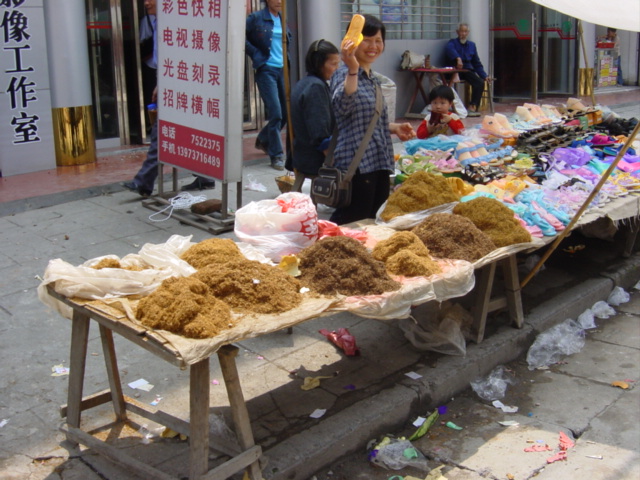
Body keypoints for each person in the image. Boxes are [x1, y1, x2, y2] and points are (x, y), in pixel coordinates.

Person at [329, 14, 415, 225]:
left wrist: (394, 128)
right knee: (353, 224)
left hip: (379, 161)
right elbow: (343, 105)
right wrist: (352, 68)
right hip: (357, 166)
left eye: (378, 40)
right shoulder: (344, 74)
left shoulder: (373, 79)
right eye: (367, 39)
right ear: (353, 40)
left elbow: (367, 119)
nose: (373, 46)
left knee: (371, 222)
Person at [123, 0, 214, 197]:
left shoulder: (175, 25)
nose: (146, 3)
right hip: (170, 83)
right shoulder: (158, 23)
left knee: (163, 132)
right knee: (175, 133)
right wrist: (160, 84)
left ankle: (144, 182)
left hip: (180, 86)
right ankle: (203, 177)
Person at [290, 39, 341, 192]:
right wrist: (331, 161)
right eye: (333, 64)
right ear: (319, 64)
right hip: (313, 158)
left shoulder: (305, 83)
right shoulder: (315, 87)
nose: (337, 69)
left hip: (302, 153)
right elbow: (320, 135)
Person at [245, 0, 291, 171]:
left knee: (285, 114)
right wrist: (255, 53)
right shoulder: (256, 18)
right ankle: (276, 155)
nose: (279, 1)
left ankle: (264, 138)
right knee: (276, 113)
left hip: (282, 69)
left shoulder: (282, 18)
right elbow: (240, 35)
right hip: (266, 70)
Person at [445, 23, 491, 117]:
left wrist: (484, 75)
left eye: (466, 31)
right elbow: (449, 50)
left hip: (467, 71)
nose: (464, 34)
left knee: (479, 82)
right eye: (462, 31)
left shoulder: (472, 45)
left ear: (468, 33)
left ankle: (472, 107)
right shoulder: (452, 43)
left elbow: (476, 63)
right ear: (458, 32)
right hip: (455, 71)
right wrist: (458, 58)